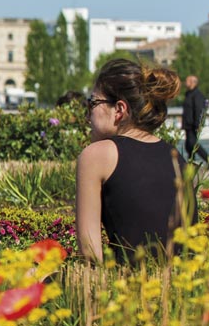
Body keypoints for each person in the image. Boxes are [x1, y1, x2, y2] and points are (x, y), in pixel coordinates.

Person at [75, 59, 190, 264]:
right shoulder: (176, 157)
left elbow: (90, 253)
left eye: (92, 103)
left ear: (119, 110)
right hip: (182, 287)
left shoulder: (97, 155)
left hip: (127, 288)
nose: (88, 115)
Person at [182, 75, 209, 164]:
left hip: (193, 124)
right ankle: (191, 164)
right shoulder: (188, 94)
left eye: (187, 81)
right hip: (188, 124)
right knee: (188, 146)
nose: (185, 83)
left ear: (192, 82)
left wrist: (197, 124)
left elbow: (198, 110)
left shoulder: (197, 95)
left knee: (193, 144)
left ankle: (208, 159)